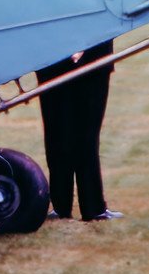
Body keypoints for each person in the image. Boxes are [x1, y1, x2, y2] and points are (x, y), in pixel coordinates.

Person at [36, 40, 119, 221]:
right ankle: (60, 206)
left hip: (95, 59)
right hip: (52, 62)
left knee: (88, 137)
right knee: (57, 136)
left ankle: (93, 207)